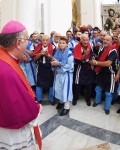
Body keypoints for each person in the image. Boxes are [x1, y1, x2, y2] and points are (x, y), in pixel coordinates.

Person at [0, 20, 42, 149]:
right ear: (18, 43)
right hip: (11, 133)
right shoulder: (6, 70)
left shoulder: (6, 58)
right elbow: (17, 107)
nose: (28, 44)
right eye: (27, 40)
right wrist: (36, 108)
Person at [90, 35, 118, 114]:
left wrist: (96, 63)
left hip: (110, 74)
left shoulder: (113, 50)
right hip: (101, 72)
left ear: (111, 41)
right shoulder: (101, 48)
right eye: (104, 39)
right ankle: (97, 101)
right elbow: (94, 53)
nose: (105, 41)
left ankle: (106, 107)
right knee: (98, 89)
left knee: (108, 93)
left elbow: (108, 63)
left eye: (107, 40)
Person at [51, 36, 74, 116]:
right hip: (58, 74)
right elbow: (54, 59)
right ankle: (61, 102)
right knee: (58, 89)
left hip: (66, 74)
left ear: (67, 44)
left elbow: (69, 65)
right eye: (60, 43)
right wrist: (53, 63)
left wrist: (59, 63)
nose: (61, 44)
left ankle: (67, 107)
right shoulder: (58, 52)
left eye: (63, 43)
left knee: (66, 91)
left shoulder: (69, 53)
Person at [73, 34, 94, 106]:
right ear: (81, 40)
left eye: (87, 40)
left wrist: (89, 58)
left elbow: (92, 55)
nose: (85, 42)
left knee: (88, 85)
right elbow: (78, 60)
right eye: (84, 40)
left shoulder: (90, 45)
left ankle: (88, 99)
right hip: (80, 67)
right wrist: (85, 55)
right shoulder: (77, 47)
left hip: (88, 67)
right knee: (77, 84)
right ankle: (75, 98)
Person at [33, 35, 54, 105]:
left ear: (49, 41)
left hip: (49, 68)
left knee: (51, 83)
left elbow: (54, 59)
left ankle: (51, 99)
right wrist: (40, 54)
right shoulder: (38, 47)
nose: (45, 41)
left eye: (46, 40)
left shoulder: (53, 48)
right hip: (40, 67)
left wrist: (48, 55)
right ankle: (39, 99)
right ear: (41, 41)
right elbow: (34, 59)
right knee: (39, 83)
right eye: (43, 40)